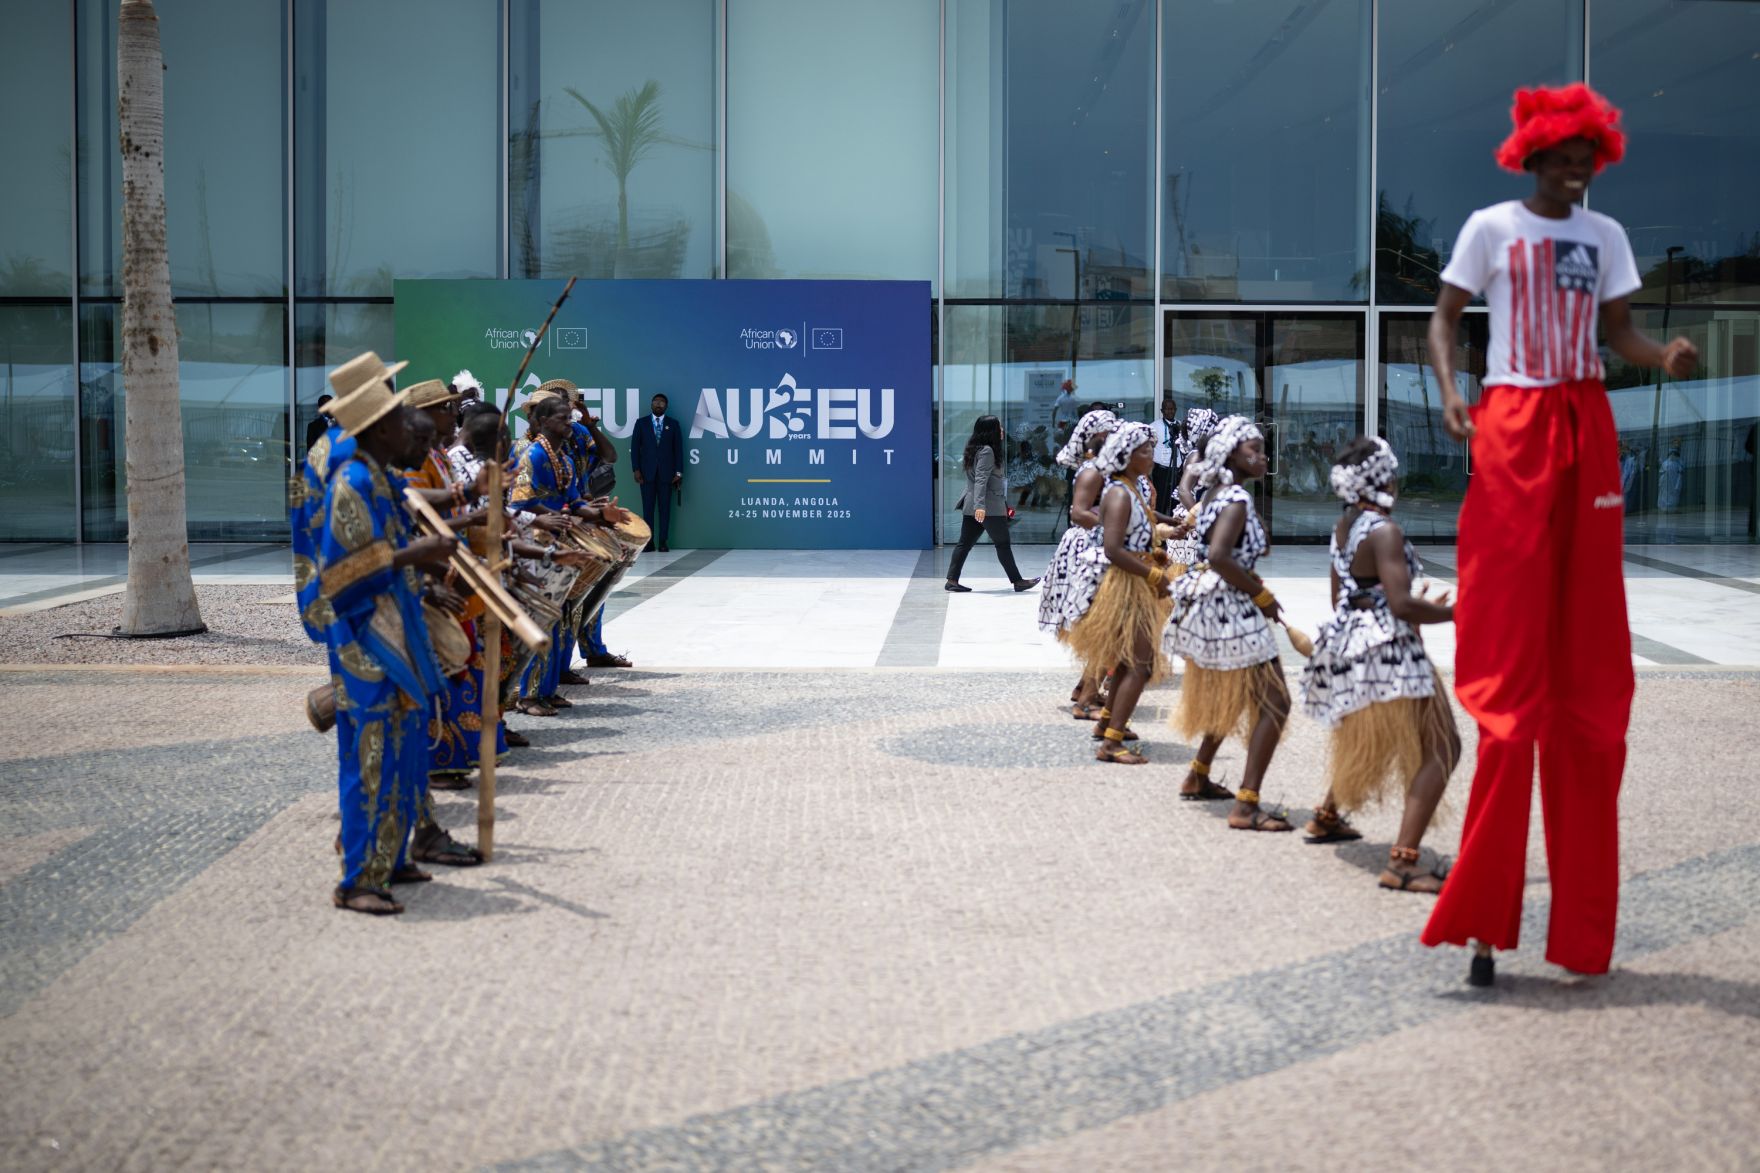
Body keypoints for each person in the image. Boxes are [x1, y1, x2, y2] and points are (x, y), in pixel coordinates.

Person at [1419, 83, 1697, 986]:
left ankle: (1581, 931)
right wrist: (1456, 392)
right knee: (1510, 689)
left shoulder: (1604, 238)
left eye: (1590, 158)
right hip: (1515, 418)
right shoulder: (1492, 227)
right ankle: (1484, 919)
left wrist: (1661, 357)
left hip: (1585, 421)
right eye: (1566, 157)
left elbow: (1619, 331)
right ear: (1533, 156)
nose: (1579, 170)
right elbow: (1446, 317)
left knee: (1586, 673)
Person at [315, 357, 456, 915]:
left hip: (396, 630)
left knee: (401, 755)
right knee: (370, 761)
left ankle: (391, 860)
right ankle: (357, 881)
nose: (410, 425)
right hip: (365, 641)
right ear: (377, 430)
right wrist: (413, 555)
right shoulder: (350, 485)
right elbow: (338, 575)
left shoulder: (377, 479)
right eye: (399, 419)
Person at [1298, 438, 1461, 892]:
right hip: (1390, 656)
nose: (1396, 479)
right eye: (1391, 472)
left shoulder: (1343, 527)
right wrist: (1456, 612)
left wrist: (1390, 604)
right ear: (1380, 478)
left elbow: (1342, 599)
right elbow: (1403, 604)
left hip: (1353, 650)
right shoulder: (1384, 530)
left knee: (1370, 735)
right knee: (1443, 749)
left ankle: (1327, 816)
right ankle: (1404, 862)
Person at [1163, 416, 1291, 825]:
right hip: (1233, 608)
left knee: (1229, 693)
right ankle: (1247, 804)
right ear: (1232, 453)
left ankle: (1197, 776)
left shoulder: (1218, 492)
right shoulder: (1235, 498)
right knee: (1276, 702)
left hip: (1214, 605)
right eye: (1254, 448)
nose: (1262, 456)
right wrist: (1263, 596)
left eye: (1262, 448)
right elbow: (1219, 556)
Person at [1067, 423, 1170, 764]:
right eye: (1144, 451)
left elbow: (1136, 536)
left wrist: (1160, 546)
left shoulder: (1131, 489)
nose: (1151, 456)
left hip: (1135, 582)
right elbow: (1112, 548)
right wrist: (1153, 573)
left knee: (1130, 660)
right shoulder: (1119, 493)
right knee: (1141, 663)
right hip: (1124, 586)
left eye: (1151, 450)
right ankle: (1111, 744)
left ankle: (1109, 725)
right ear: (1126, 455)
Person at [1037, 409, 1117, 711]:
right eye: (1111, 432)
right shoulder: (1092, 469)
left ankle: (1086, 686)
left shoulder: (1101, 467)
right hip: (1090, 551)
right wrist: (1116, 523)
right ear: (1098, 436)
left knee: (1102, 623)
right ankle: (1086, 698)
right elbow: (1079, 513)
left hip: (1099, 546)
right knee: (1102, 622)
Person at [946, 415, 1038, 593]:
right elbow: (981, 479)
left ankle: (952, 580)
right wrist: (980, 506)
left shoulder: (974, 448)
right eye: (999, 427)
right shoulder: (987, 451)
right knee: (1002, 543)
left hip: (973, 503)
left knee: (964, 544)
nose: (1002, 431)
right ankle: (1018, 582)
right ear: (991, 431)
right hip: (987, 507)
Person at [631, 392, 683, 552]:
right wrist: (636, 469)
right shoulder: (641, 423)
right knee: (647, 509)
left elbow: (678, 450)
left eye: (662, 402)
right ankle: (649, 542)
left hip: (667, 475)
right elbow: (634, 449)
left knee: (665, 509)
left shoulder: (673, 424)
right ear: (651, 404)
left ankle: (663, 542)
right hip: (646, 474)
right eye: (656, 402)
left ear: (666, 406)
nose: (658, 404)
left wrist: (679, 472)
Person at [1151, 396, 1179, 506]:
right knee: (1161, 500)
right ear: (1162, 411)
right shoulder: (1154, 426)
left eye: (1172, 409)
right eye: (1167, 409)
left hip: (1176, 470)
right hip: (1161, 470)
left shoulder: (1180, 425)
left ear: (1175, 410)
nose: (1170, 411)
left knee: (1175, 501)